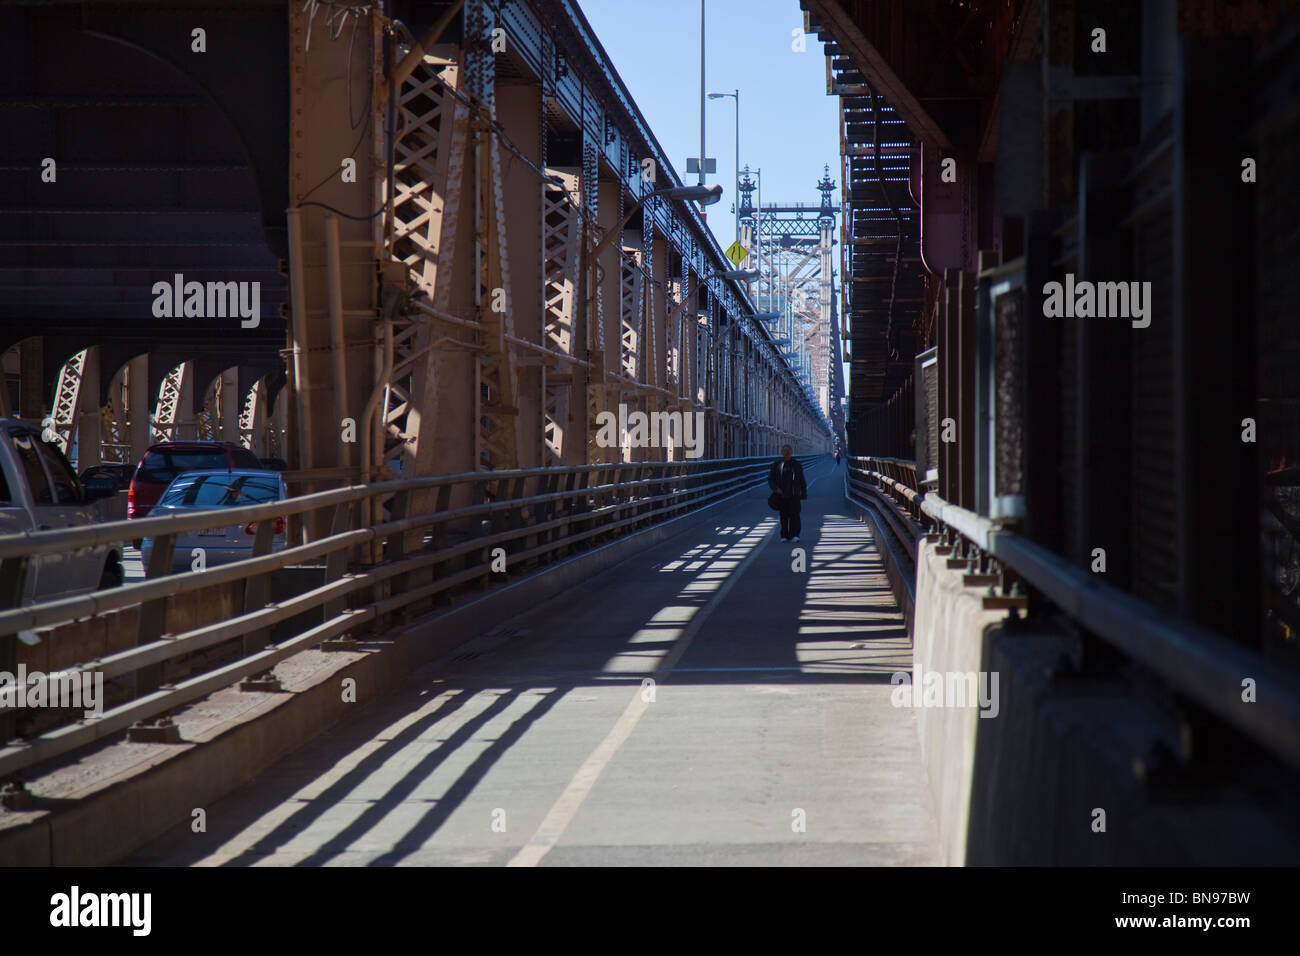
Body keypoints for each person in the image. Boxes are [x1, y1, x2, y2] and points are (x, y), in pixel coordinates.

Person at [768, 445, 808, 542]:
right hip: (782, 494)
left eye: (789, 450)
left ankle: (795, 535)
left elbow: (802, 479)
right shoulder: (777, 464)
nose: (787, 452)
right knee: (783, 516)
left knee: (795, 515)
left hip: (794, 494)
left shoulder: (797, 465)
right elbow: (770, 479)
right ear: (782, 452)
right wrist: (776, 489)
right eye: (785, 451)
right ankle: (784, 535)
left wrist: (803, 492)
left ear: (792, 452)